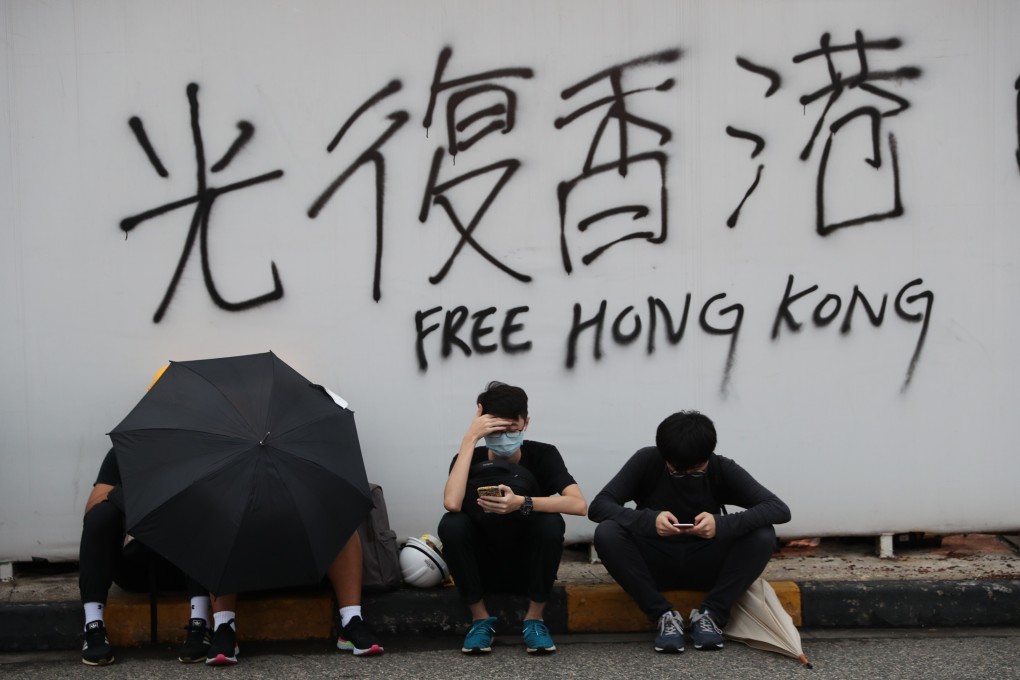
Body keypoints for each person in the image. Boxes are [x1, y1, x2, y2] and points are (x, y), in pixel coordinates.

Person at [588, 410, 790, 654]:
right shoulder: (647, 460)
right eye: (676, 471)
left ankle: (711, 615)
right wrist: (649, 520)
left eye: (695, 471)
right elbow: (599, 507)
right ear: (664, 455)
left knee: (763, 535)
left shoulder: (721, 468)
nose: (685, 476)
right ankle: (663, 615)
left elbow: (778, 509)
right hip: (654, 562)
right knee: (607, 532)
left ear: (708, 456)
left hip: (705, 563)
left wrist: (721, 524)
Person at [438, 381, 587, 655]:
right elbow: (452, 503)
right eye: (496, 432)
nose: (504, 439)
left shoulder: (543, 454)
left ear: (526, 423)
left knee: (552, 521)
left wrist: (522, 503)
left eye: (512, 431)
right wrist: (470, 438)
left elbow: (579, 505)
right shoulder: (469, 456)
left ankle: (535, 619)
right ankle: (480, 619)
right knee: (452, 523)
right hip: (482, 567)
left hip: (528, 566)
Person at [79, 448, 213, 666]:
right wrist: (133, 495)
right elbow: (92, 509)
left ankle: (201, 623)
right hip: (137, 568)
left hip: (190, 568)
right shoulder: (123, 452)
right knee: (101, 515)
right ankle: (93, 626)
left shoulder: (196, 451)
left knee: (200, 502)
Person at [203, 531, 383, 665]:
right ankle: (224, 625)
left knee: (340, 517)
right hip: (248, 530)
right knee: (222, 519)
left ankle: (351, 620)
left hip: (300, 529)